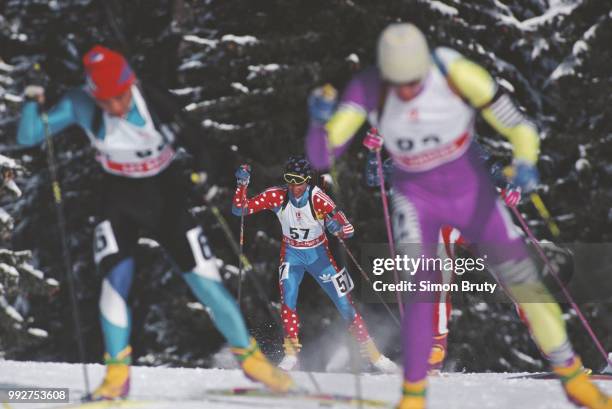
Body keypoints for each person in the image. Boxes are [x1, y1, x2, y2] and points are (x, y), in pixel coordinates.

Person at [305, 23, 611, 409]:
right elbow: (324, 158)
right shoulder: (369, 89)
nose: (406, 93)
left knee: (522, 280)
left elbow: (517, 129)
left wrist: (524, 165)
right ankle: (417, 387)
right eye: (397, 84)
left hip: (472, 197)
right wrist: (320, 123)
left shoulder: (454, 71)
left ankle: (571, 374)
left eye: (414, 82)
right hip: (419, 203)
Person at [17, 45, 293, 400]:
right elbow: (28, 136)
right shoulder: (80, 104)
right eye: (107, 101)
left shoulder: (152, 99)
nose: (116, 107)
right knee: (114, 284)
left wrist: (206, 175)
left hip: (167, 198)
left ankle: (253, 363)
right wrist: (30, 96)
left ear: (129, 83)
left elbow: (199, 141)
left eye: (120, 97)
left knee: (207, 283)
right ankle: (116, 377)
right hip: (118, 202)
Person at [231, 155, 397, 373]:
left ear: (307, 180)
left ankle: (375, 355)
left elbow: (349, 229)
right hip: (292, 254)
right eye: (289, 179)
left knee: (345, 304)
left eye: (298, 180)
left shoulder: (319, 199)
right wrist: (242, 185)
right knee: (288, 297)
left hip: (319, 256)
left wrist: (336, 226)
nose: (293, 186)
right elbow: (240, 209)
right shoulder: (277, 197)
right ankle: (290, 354)